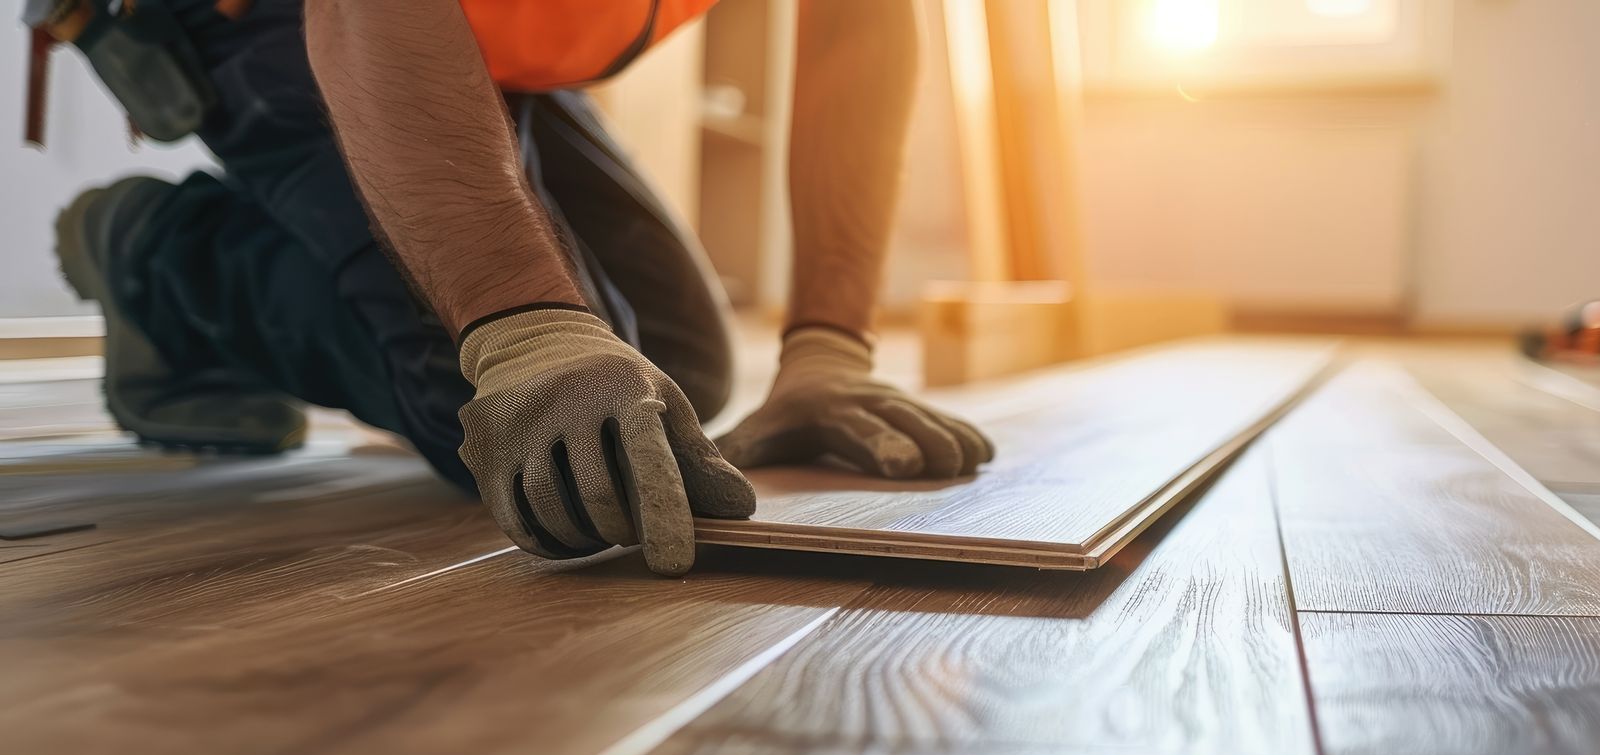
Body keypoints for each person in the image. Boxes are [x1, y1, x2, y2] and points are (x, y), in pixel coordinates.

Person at [32, 0, 994, 576]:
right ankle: (158, 257)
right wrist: (524, 331)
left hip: (493, 25)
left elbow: (858, 32)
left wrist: (829, 346)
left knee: (671, 373)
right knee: (501, 409)